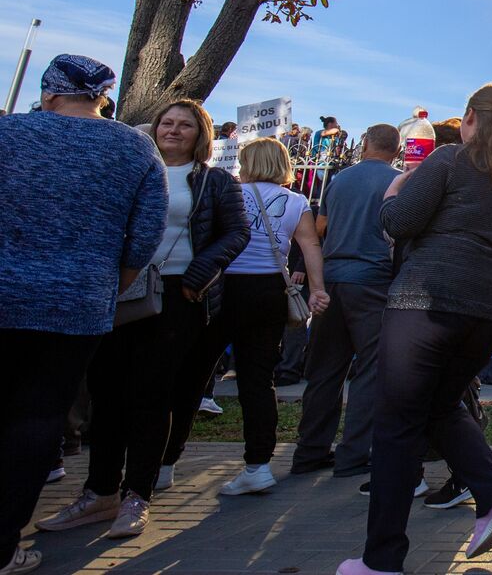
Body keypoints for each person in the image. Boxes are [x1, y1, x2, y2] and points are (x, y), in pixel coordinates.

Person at [338, 83, 492, 575]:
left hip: (426, 303)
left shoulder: (447, 160)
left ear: (470, 116)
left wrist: (392, 192)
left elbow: (401, 223)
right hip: (488, 313)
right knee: (440, 405)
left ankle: (381, 561)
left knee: (395, 425)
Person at [39, 100, 248, 539]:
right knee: (107, 393)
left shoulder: (213, 181)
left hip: (177, 295)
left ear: (200, 133)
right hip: (116, 292)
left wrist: (199, 273)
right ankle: (100, 492)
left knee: (152, 395)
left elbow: (236, 231)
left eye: (184, 125)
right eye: (166, 123)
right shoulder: (131, 168)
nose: (172, 130)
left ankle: (138, 495)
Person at [0, 55, 168, 575]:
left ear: (49, 94)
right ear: (102, 96)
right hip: (78, 304)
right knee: (37, 419)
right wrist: (104, 287)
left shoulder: (8, 134)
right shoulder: (133, 146)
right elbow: (145, 236)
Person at [170, 137, 329, 496]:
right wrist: (317, 289)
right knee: (258, 381)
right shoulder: (296, 201)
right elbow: (310, 246)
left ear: (245, 161)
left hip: (221, 286)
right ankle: (257, 465)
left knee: (193, 374)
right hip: (268, 291)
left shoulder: (228, 191)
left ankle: (166, 461)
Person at [291, 124, 403, 478]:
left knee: (325, 368)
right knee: (370, 369)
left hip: (332, 278)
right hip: (372, 281)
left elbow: (319, 227)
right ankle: (354, 454)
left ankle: (309, 451)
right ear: (397, 150)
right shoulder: (398, 181)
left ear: (365, 144)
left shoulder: (338, 180)